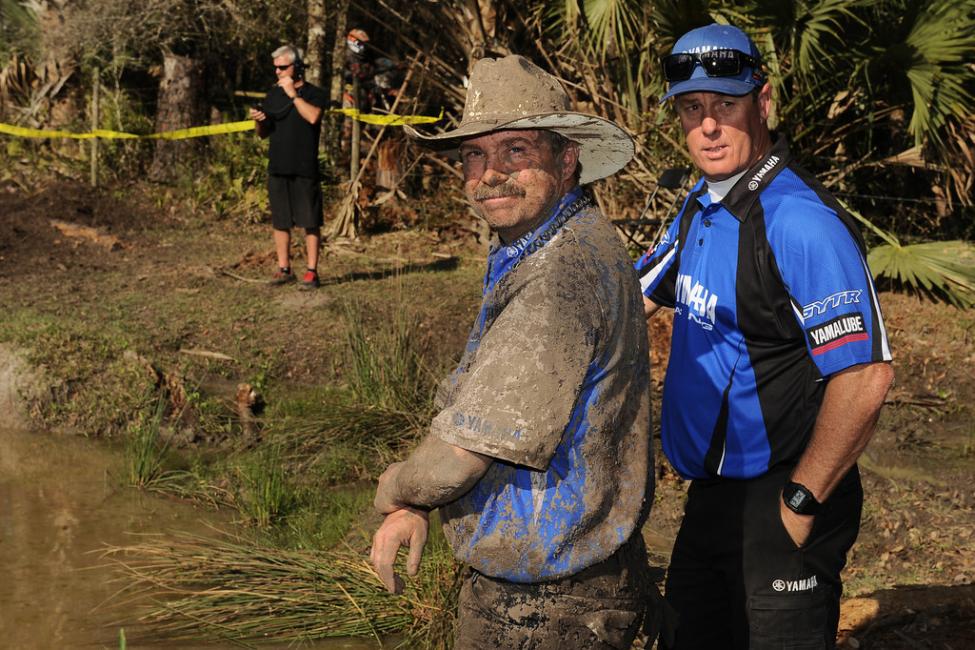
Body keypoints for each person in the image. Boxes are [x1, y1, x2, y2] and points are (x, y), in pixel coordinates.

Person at [370, 54, 657, 649]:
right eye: (475, 154)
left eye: (517, 151)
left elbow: (458, 461)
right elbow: (475, 396)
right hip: (577, 581)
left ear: (567, 159)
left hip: (548, 607)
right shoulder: (553, 240)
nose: (490, 173)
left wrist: (397, 489)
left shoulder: (558, 275)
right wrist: (420, 506)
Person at [635, 23, 895, 649]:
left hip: (787, 489)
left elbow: (865, 377)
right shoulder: (702, 203)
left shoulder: (800, 224)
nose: (709, 126)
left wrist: (801, 501)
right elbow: (636, 293)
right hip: (714, 495)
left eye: (725, 105)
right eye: (692, 109)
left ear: (765, 102)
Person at [250, 45, 327, 289]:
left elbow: (313, 117)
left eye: (283, 67)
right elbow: (263, 134)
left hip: (304, 166)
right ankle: (284, 269)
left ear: (298, 67)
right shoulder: (273, 95)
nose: (278, 72)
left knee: (310, 220)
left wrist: (294, 95)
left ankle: (312, 272)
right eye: (275, 68)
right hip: (278, 166)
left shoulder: (314, 93)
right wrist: (258, 121)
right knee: (280, 221)